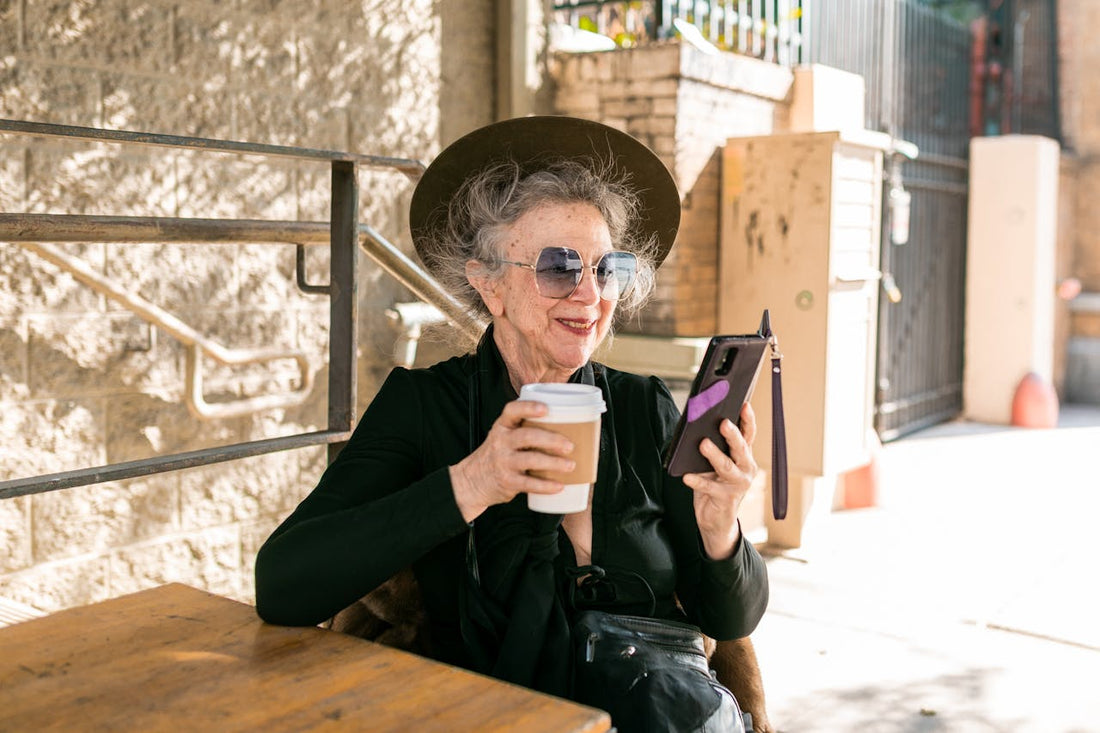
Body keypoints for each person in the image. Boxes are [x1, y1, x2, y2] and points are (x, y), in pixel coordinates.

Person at [255, 115, 769, 731]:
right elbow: (282, 584)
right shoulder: (423, 407)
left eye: (605, 269)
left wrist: (721, 531)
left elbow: (732, 621)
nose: (589, 295)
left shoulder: (644, 409)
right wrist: (473, 484)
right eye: (558, 267)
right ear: (489, 283)